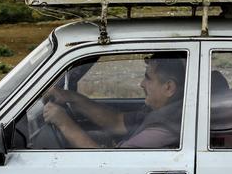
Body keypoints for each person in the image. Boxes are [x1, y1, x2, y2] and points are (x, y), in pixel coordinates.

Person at [42, 54, 186, 149]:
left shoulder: (166, 129)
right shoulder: (162, 110)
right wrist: (71, 97)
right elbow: (116, 121)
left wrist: (64, 123)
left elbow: (106, 163)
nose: (141, 84)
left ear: (168, 87)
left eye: (148, 78)